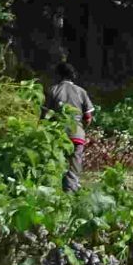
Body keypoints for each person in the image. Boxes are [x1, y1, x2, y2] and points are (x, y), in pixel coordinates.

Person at [44, 60, 94, 191]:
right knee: (74, 166)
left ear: (58, 75)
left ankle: (56, 192)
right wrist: (81, 128)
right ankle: (71, 192)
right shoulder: (81, 91)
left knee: (56, 164)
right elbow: (88, 118)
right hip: (77, 134)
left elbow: (44, 116)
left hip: (57, 134)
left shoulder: (53, 90)